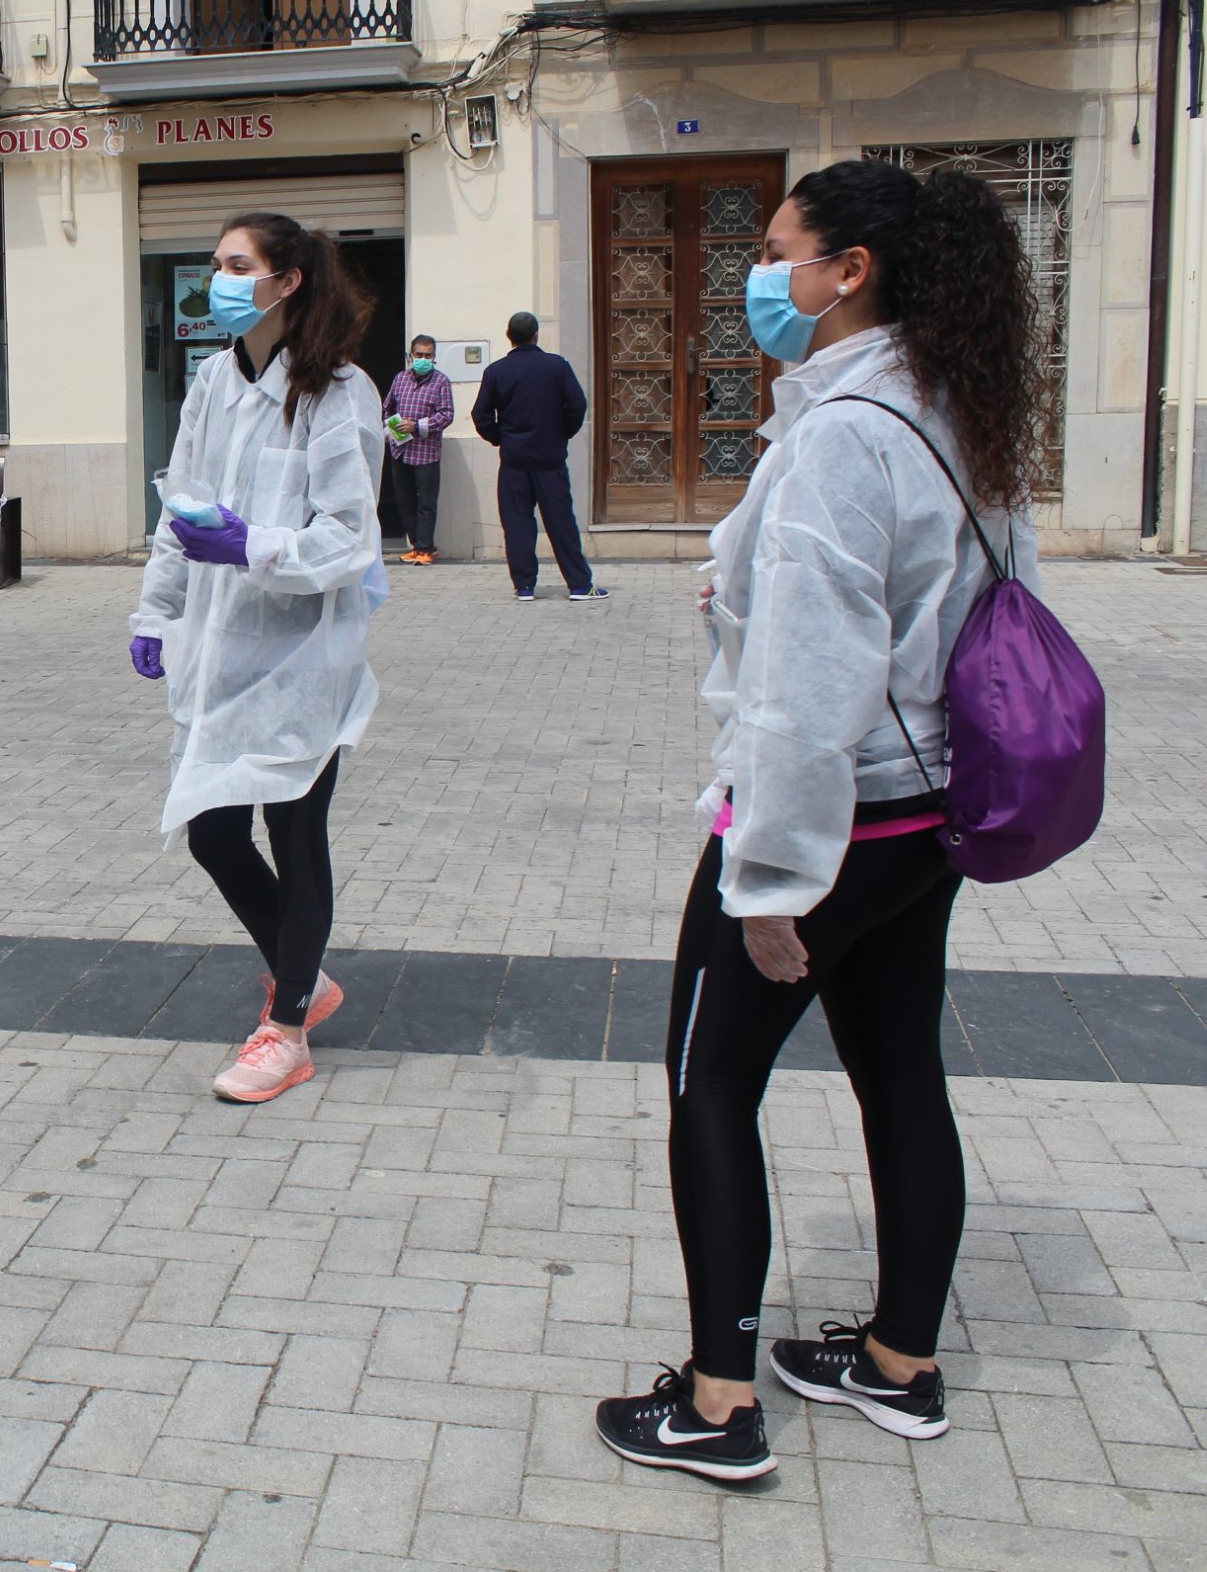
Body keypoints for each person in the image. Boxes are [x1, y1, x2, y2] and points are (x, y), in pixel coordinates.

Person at [593, 161, 1045, 1481]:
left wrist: (770, 872)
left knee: (708, 1082)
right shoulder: (958, 401)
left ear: (850, 272)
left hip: (833, 819)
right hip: (928, 812)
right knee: (901, 1066)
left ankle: (719, 1402)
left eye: (779, 250)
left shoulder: (847, 434)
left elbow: (808, 680)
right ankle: (901, 1360)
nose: (760, 275)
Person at [128, 212, 384, 1104]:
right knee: (212, 829)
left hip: (305, 653)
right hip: (218, 645)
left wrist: (257, 547)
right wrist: (155, 611)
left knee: (295, 830)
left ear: (289, 281)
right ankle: (303, 969)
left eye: (238, 264)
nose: (220, 278)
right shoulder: (209, 380)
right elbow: (180, 502)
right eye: (215, 263)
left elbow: (349, 537)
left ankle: (287, 1030)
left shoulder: (338, 393)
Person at [472, 312, 604, 601]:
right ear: (536, 335)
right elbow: (577, 405)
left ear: (509, 335)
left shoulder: (496, 371)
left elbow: (480, 415)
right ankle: (580, 585)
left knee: (517, 522)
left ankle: (524, 586)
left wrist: (499, 437)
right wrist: (562, 433)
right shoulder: (556, 366)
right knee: (561, 522)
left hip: (514, 459)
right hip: (549, 457)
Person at [383, 333, 453, 564]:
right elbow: (387, 408)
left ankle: (426, 549)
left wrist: (417, 426)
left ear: (434, 358)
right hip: (400, 450)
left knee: (426, 503)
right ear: (410, 356)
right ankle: (416, 544)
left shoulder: (441, 382)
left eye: (428, 355)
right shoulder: (400, 379)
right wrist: (395, 428)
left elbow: (446, 415)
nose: (423, 359)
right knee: (405, 501)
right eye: (419, 354)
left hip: (426, 453)